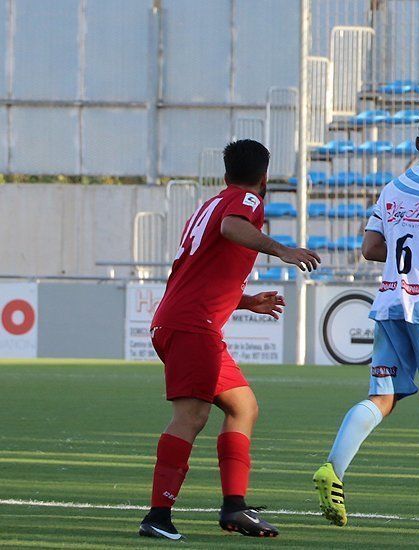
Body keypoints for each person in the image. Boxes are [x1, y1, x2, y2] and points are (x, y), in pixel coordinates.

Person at [313, 109, 419, 533]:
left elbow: (371, 247)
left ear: (417, 144)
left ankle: (333, 468)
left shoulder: (394, 187)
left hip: (391, 303)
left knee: (382, 397)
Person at [139, 139, 321, 540]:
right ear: (264, 177)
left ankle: (235, 508)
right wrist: (281, 250)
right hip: (191, 326)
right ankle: (158, 515)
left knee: (243, 406)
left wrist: (246, 301)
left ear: (225, 174)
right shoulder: (246, 202)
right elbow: (232, 227)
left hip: (184, 321)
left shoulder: (210, 204)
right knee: (192, 417)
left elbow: (199, 271)